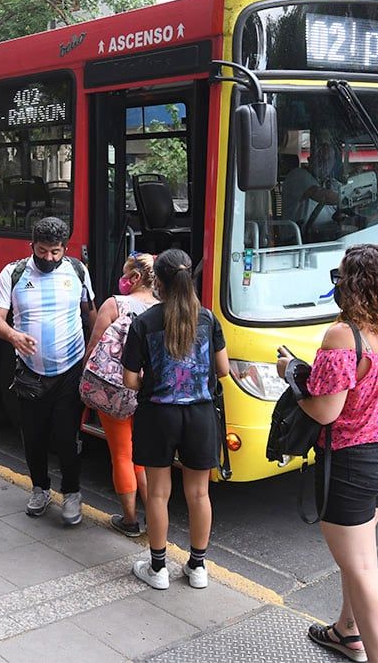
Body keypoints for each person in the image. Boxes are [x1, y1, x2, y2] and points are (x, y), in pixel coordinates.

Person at [277, 244, 378, 663]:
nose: (336, 285)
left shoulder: (344, 336)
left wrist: (289, 375)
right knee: (361, 554)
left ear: (353, 286)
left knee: (362, 568)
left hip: (354, 461)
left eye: (339, 278)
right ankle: (347, 631)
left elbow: (326, 410)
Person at [122, 248, 229, 591]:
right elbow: (223, 370)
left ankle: (158, 569)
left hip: (158, 414)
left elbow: (128, 379)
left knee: (158, 494)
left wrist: (153, 383)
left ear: (160, 283)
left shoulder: (145, 322)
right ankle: (197, 568)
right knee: (199, 494)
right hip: (199, 415)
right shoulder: (208, 319)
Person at [0, 216, 96, 525]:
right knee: (33, 436)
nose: (49, 258)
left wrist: (97, 351)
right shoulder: (14, 273)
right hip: (30, 373)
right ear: (31, 245)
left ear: (65, 248)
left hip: (70, 369)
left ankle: (72, 493)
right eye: (43, 250)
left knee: (66, 436)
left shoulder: (78, 271)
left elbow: (90, 314)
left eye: (56, 252)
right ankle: (40, 488)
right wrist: (13, 336)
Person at [84, 252, 158, 536]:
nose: (123, 280)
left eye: (127, 274)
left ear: (136, 278)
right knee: (143, 457)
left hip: (114, 391)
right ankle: (155, 518)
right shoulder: (163, 307)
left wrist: (85, 380)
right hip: (149, 392)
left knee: (122, 455)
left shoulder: (115, 304)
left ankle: (129, 520)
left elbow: (94, 346)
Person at [282, 141, 341, 238]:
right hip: (299, 241)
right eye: (320, 158)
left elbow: (345, 191)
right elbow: (320, 194)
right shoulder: (298, 175)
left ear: (334, 162)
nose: (324, 162)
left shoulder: (332, 183)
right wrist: (346, 199)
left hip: (327, 237)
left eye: (328, 159)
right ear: (310, 159)